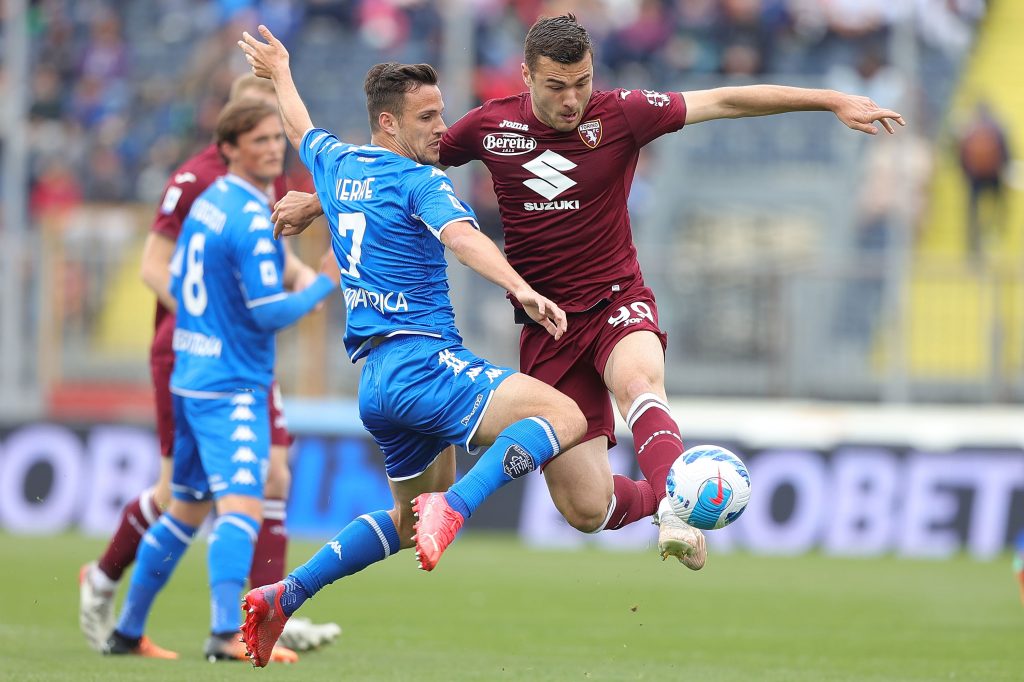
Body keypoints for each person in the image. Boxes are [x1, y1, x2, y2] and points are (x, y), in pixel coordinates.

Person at [273, 14, 905, 570]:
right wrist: (320, 199)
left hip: (615, 298)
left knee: (640, 384)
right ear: (526, 77)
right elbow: (397, 176)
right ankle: (661, 500)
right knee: (586, 509)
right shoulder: (486, 129)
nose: (573, 98)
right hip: (547, 327)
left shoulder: (624, 113)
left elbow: (728, 101)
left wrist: (831, 100)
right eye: (556, 85)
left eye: (582, 81)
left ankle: (679, 506)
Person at [235, 26, 587, 667]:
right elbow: (462, 238)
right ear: (389, 123)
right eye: (428, 117)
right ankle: (454, 510)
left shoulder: (337, 164)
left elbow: (298, 126)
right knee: (564, 416)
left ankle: (284, 595)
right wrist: (521, 288)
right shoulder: (419, 183)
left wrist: (281, 73)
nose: (441, 128)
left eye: (443, 113)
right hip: (426, 363)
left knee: (403, 523)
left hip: (376, 382)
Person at [78, 75, 338, 658]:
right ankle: (225, 633)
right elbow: (268, 312)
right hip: (230, 382)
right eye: (262, 136)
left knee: (186, 506)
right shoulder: (243, 213)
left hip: (191, 376)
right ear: (229, 144)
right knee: (241, 506)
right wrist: (323, 284)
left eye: (278, 135)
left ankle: (127, 629)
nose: (275, 147)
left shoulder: (215, 203)